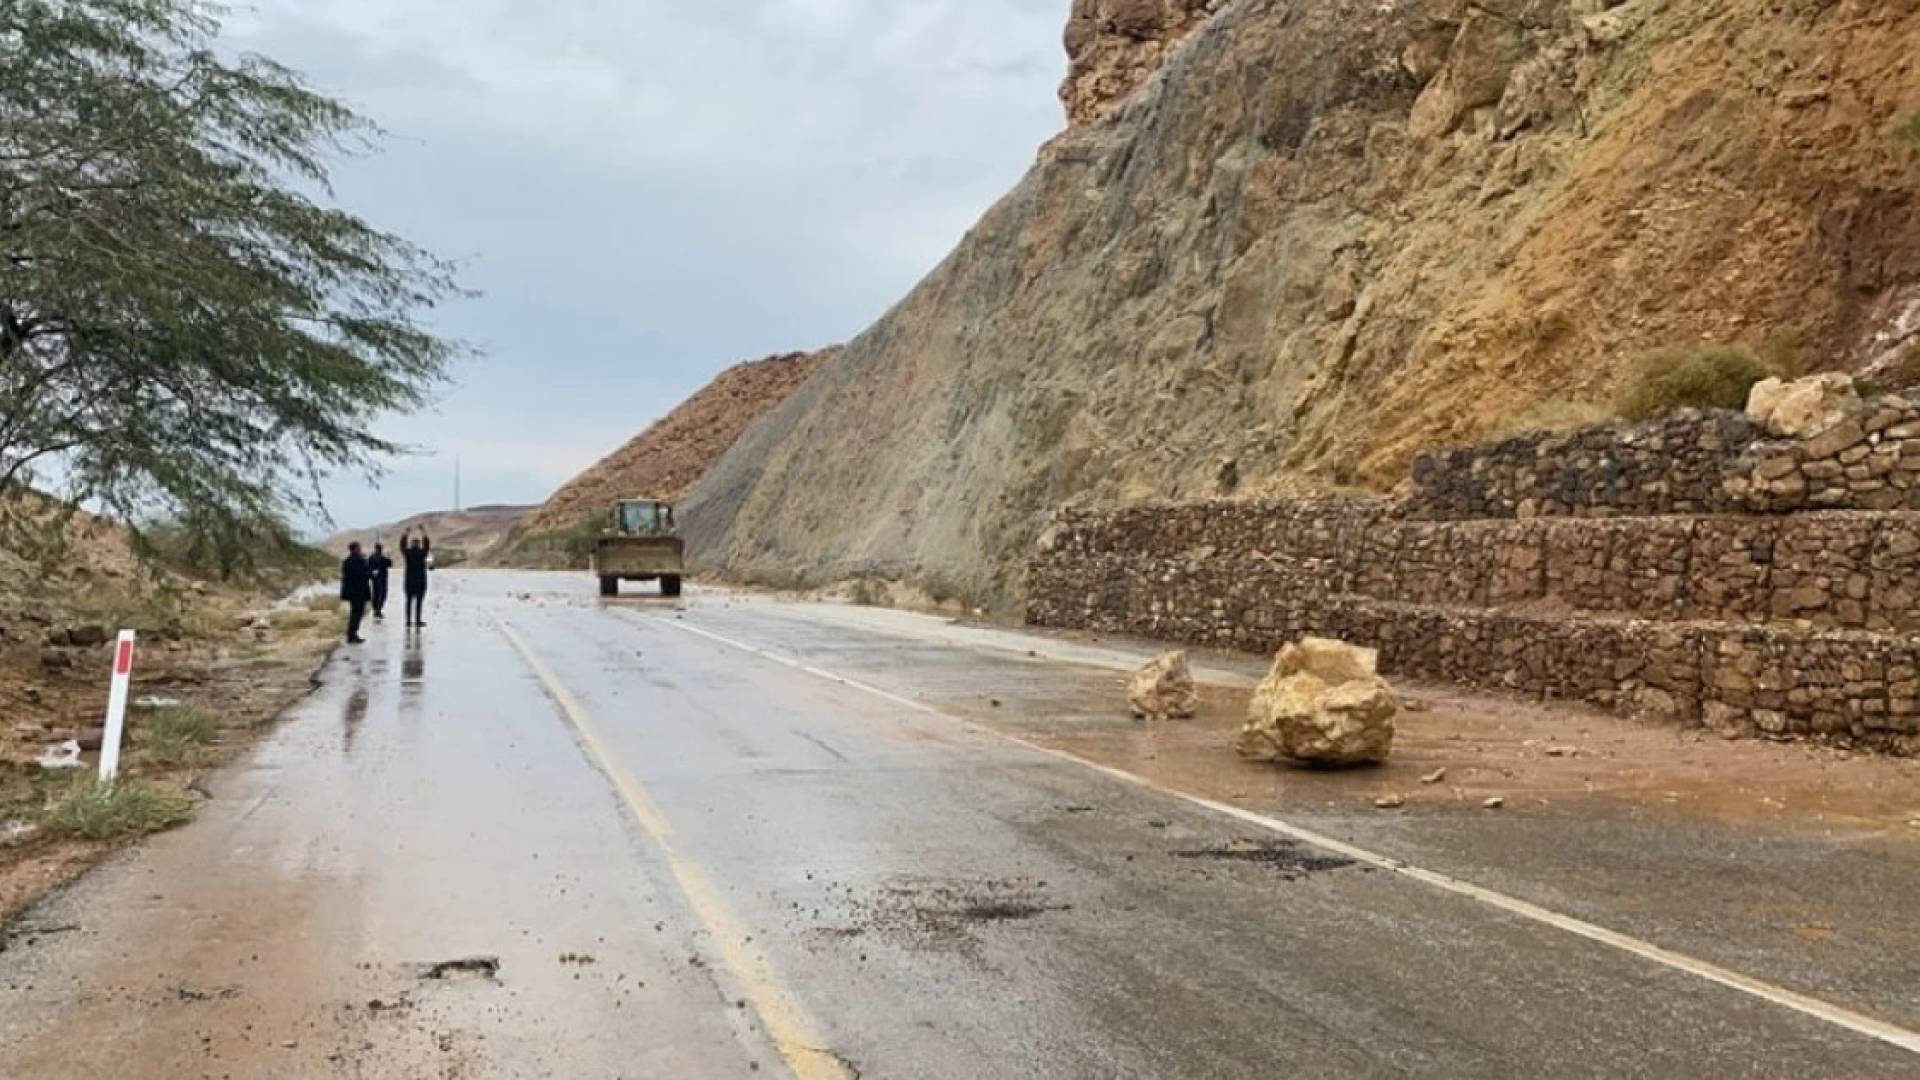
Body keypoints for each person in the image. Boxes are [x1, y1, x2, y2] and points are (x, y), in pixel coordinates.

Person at [340, 541, 371, 644]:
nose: (360, 549)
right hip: (359, 592)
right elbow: (363, 574)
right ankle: (352, 634)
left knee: (355, 612)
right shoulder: (358, 561)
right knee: (357, 613)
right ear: (356, 549)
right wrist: (370, 573)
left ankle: (351, 634)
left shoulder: (347, 561)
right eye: (359, 547)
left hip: (351, 592)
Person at [400, 529, 431, 628]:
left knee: (408, 601)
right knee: (419, 601)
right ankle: (417, 620)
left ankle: (408, 621)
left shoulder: (408, 553)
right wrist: (424, 532)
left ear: (411, 544)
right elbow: (427, 544)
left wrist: (405, 533)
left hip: (409, 580)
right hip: (420, 580)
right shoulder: (422, 553)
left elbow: (402, 545)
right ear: (419, 544)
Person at [368, 543, 393, 621]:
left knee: (375, 594)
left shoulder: (371, 557)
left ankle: (376, 609)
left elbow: (368, 567)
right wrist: (389, 556)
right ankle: (378, 610)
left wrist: (371, 575)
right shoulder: (383, 558)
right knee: (382, 595)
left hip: (374, 579)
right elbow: (390, 564)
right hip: (382, 579)